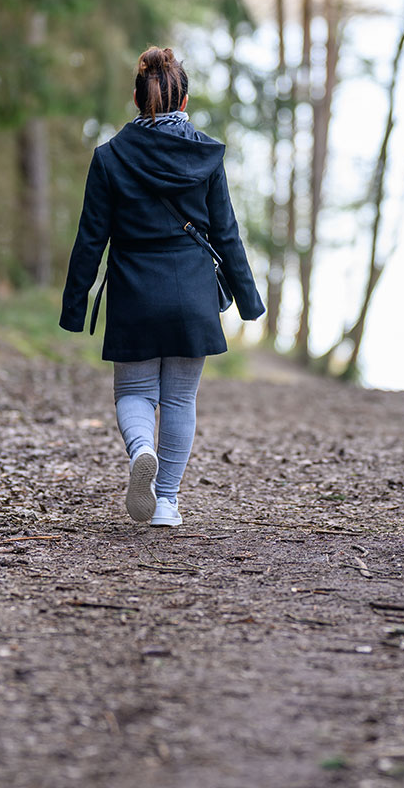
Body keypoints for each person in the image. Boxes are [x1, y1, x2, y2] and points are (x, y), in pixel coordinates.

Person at [59, 46, 265, 528]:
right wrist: (249, 301)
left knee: (133, 392)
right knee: (179, 399)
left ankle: (141, 451)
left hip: (134, 292)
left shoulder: (109, 158)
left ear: (136, 98)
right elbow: (226, 233)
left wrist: (74, 305)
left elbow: (91, 238)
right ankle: (166, 501)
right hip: (192, 292)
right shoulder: (207, 155)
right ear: (184, 103)